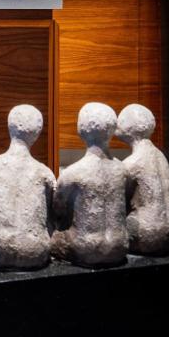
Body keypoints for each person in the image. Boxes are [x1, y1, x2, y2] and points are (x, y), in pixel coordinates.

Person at [0, 104, 54, 270]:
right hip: (37, 252)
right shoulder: (45, 173)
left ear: (10, 128)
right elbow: (49, 213)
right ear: (37, 134)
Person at [51, 102, 129, 268]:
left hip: (85, 248)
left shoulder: (73, 173)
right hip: (120, 245)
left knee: (51, 234)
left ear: (80, 129)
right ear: (113, 130)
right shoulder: (122, 170)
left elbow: (58, 211)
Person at [118, 103, 169, 256]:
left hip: (147, 236)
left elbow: (119, 201)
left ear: (127, 128)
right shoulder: (160, 156)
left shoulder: (131, 163)